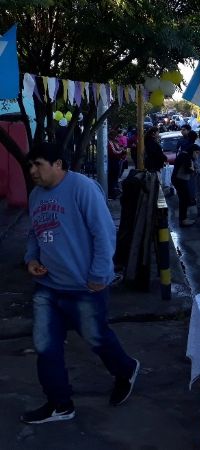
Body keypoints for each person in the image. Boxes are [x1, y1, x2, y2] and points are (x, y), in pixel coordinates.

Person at [21, 142, 140, 424]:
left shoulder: (83, 188)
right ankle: (60, 403)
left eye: (38, 164)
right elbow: (34, 233)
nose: (32, 171)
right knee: (45, 345)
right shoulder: (36, 195)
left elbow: (104, 232)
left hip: (84, 287)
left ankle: (126, 370)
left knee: (97, 338)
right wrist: (31, 260)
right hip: (48, 286)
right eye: (30, 165)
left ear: (58, 164)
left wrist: (99, 275)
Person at [172, 131, 200, 227]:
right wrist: (193, 170)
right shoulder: (186, 157)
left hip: (180, 179)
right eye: (197, 153)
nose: (197, 155)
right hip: (180, 180)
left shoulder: (186, 155)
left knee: (185, 199)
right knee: (184, 199)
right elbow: (188, 170)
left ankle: (184, 218)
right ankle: (183, 219)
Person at [106, 129, 126, 199]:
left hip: (116, 161)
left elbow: (118, 149)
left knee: (115, 177)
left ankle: (113, 191)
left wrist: (121, 150)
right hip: (113, 162)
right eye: (115, 136)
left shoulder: (115, 142)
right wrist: (121, 151)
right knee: (112, 177)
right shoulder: (109, 142)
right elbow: (114, 152)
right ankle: (111, 193)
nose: (116, 137)